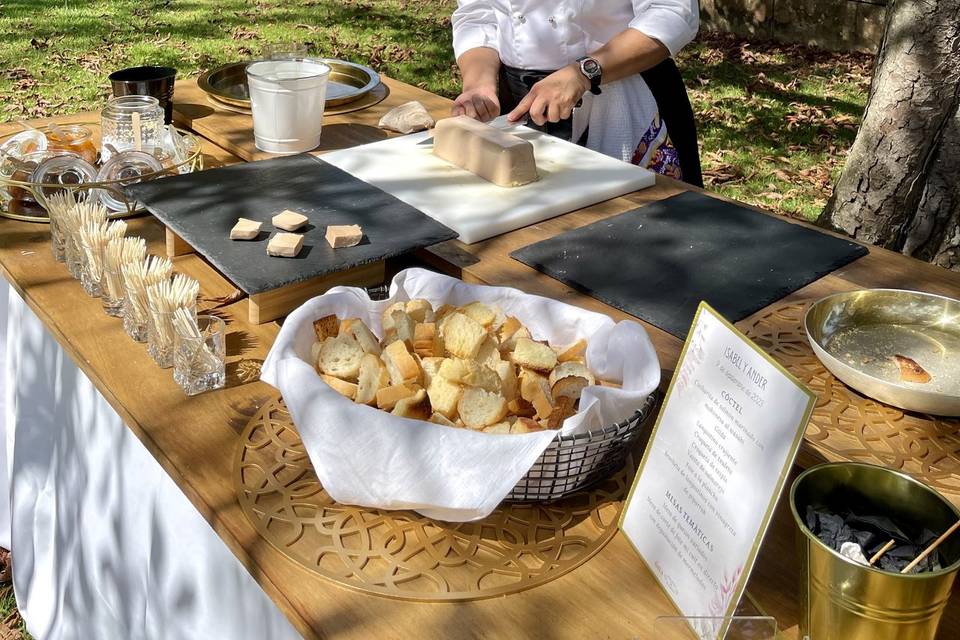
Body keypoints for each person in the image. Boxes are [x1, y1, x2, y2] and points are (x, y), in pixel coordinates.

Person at [451, 0, 702, 185]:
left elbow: (672, 11)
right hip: (519, 104)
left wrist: (584, 72)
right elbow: (478, 13)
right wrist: (479, 85)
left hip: (624, 92)